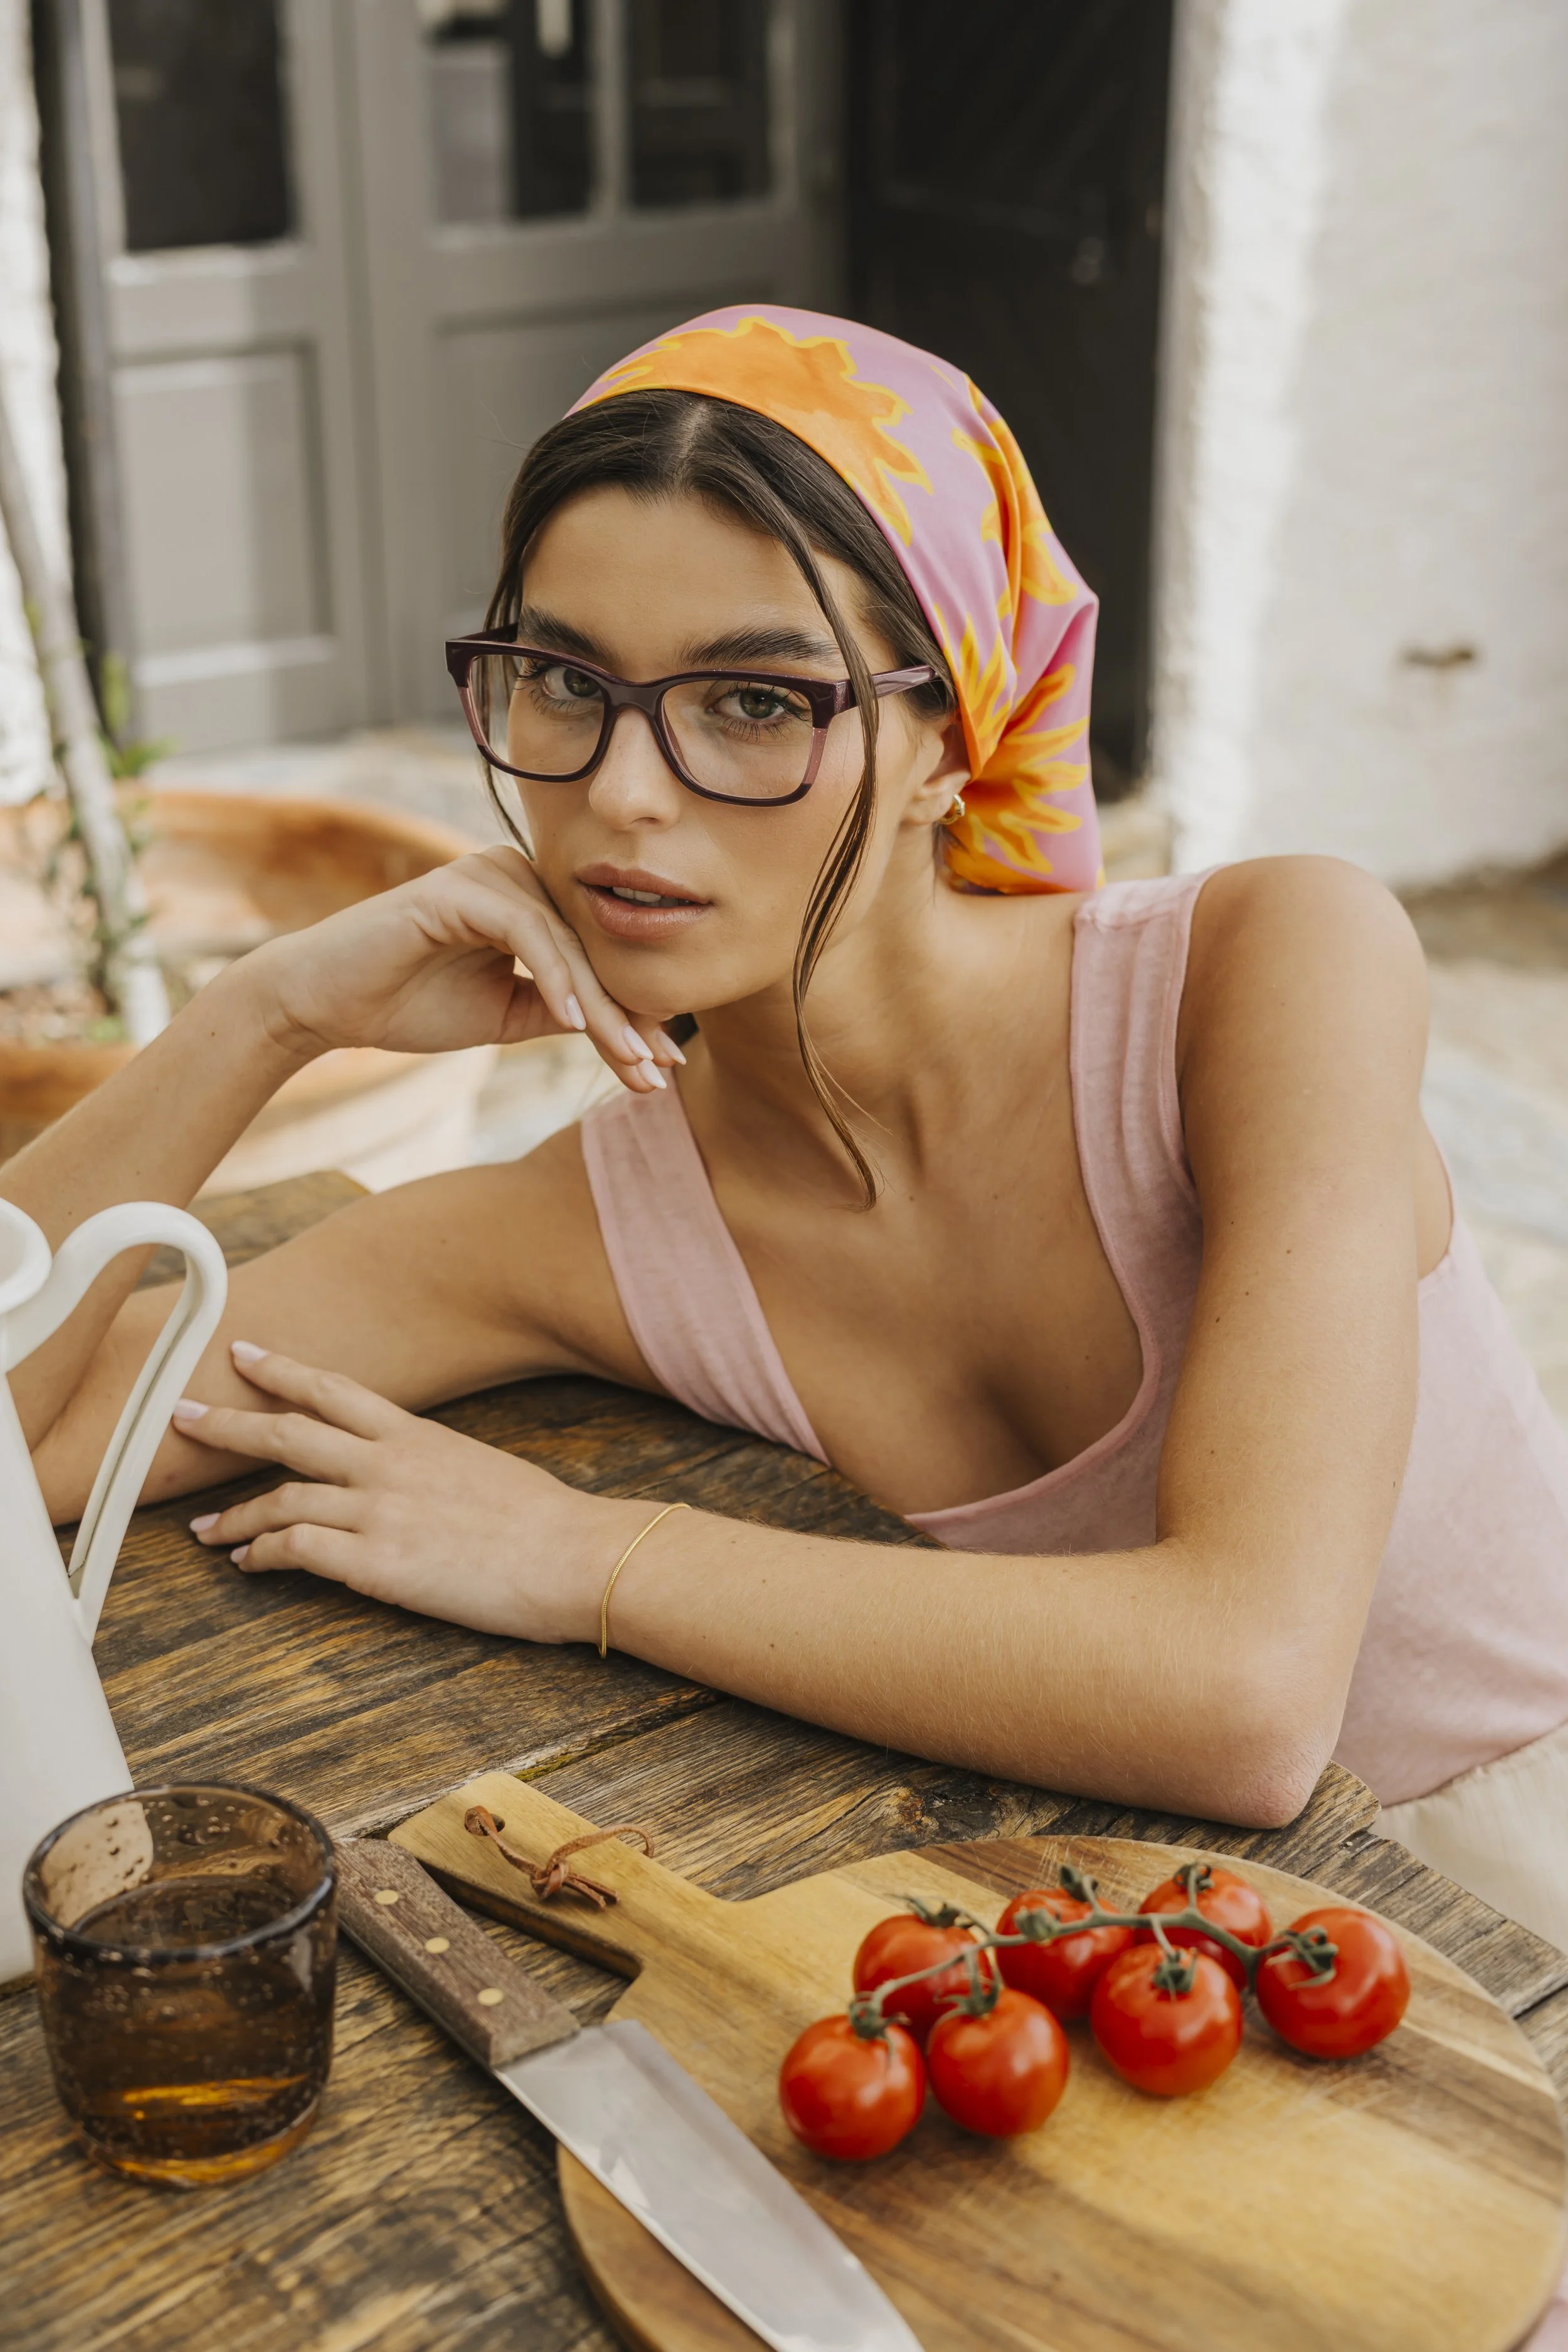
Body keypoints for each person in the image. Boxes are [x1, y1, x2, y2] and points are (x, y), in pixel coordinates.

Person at [11, 306, 1568, 1951]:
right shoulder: (588, 1224)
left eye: (752, 701)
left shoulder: (1266, 972)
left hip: (1517, 1921)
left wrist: (582, 1554)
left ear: (945, 741)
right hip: (1141, 2002)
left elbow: (1244, 1693)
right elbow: (19, 1437)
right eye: (559, 680)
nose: (621, 790)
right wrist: (263, 1015)